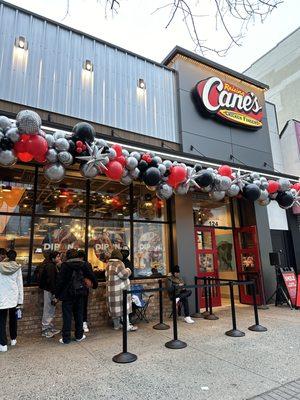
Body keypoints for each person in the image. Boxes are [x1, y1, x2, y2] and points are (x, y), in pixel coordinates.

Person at [55, 249, 98, 344]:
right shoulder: (84, 264)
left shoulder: (65, 265)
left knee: (67, 316)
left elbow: (60, 281)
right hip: (80, 293)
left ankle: (66, 338)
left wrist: (57, 294)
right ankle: (79, 335)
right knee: (79, 314)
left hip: (67, 294)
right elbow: (92, 276)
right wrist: (95, 285)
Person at [106, 249, 137, 332]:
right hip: (120, 290)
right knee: (124, 309)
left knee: (114, 310)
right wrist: (129, 269)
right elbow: (124, 275)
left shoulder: (108, 264)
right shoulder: (118, 263)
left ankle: (116, 326)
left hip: (111, 290)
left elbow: (106, 275)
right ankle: (127, 326)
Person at [0, 249, 23, 352]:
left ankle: (3, 344)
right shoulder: (18, 267)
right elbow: (20, 285)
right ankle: (13, 339)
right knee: (13, 319)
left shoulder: (0, 266)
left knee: (1, 321)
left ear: (6, 257)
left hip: (2, 298)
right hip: (14, 298)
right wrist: (20, 300)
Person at [39, 251, 61, 338]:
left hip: (50, 290)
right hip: (50, 290)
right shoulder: (50, 266)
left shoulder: (51, 265)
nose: (59, 258)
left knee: (51, 309)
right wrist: (54, 293)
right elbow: (51, 280)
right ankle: (45, 330)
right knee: (48, 309)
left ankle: (50, 327)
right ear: (53, 258)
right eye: (58, 257)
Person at [77, 249, 92, 333]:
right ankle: (83, 323)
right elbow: (91, 275)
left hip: (75, 289)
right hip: (84, 288)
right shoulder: (87, 264)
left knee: (77, 306)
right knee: (83, 306)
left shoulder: (73, 264)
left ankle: (79, 324)